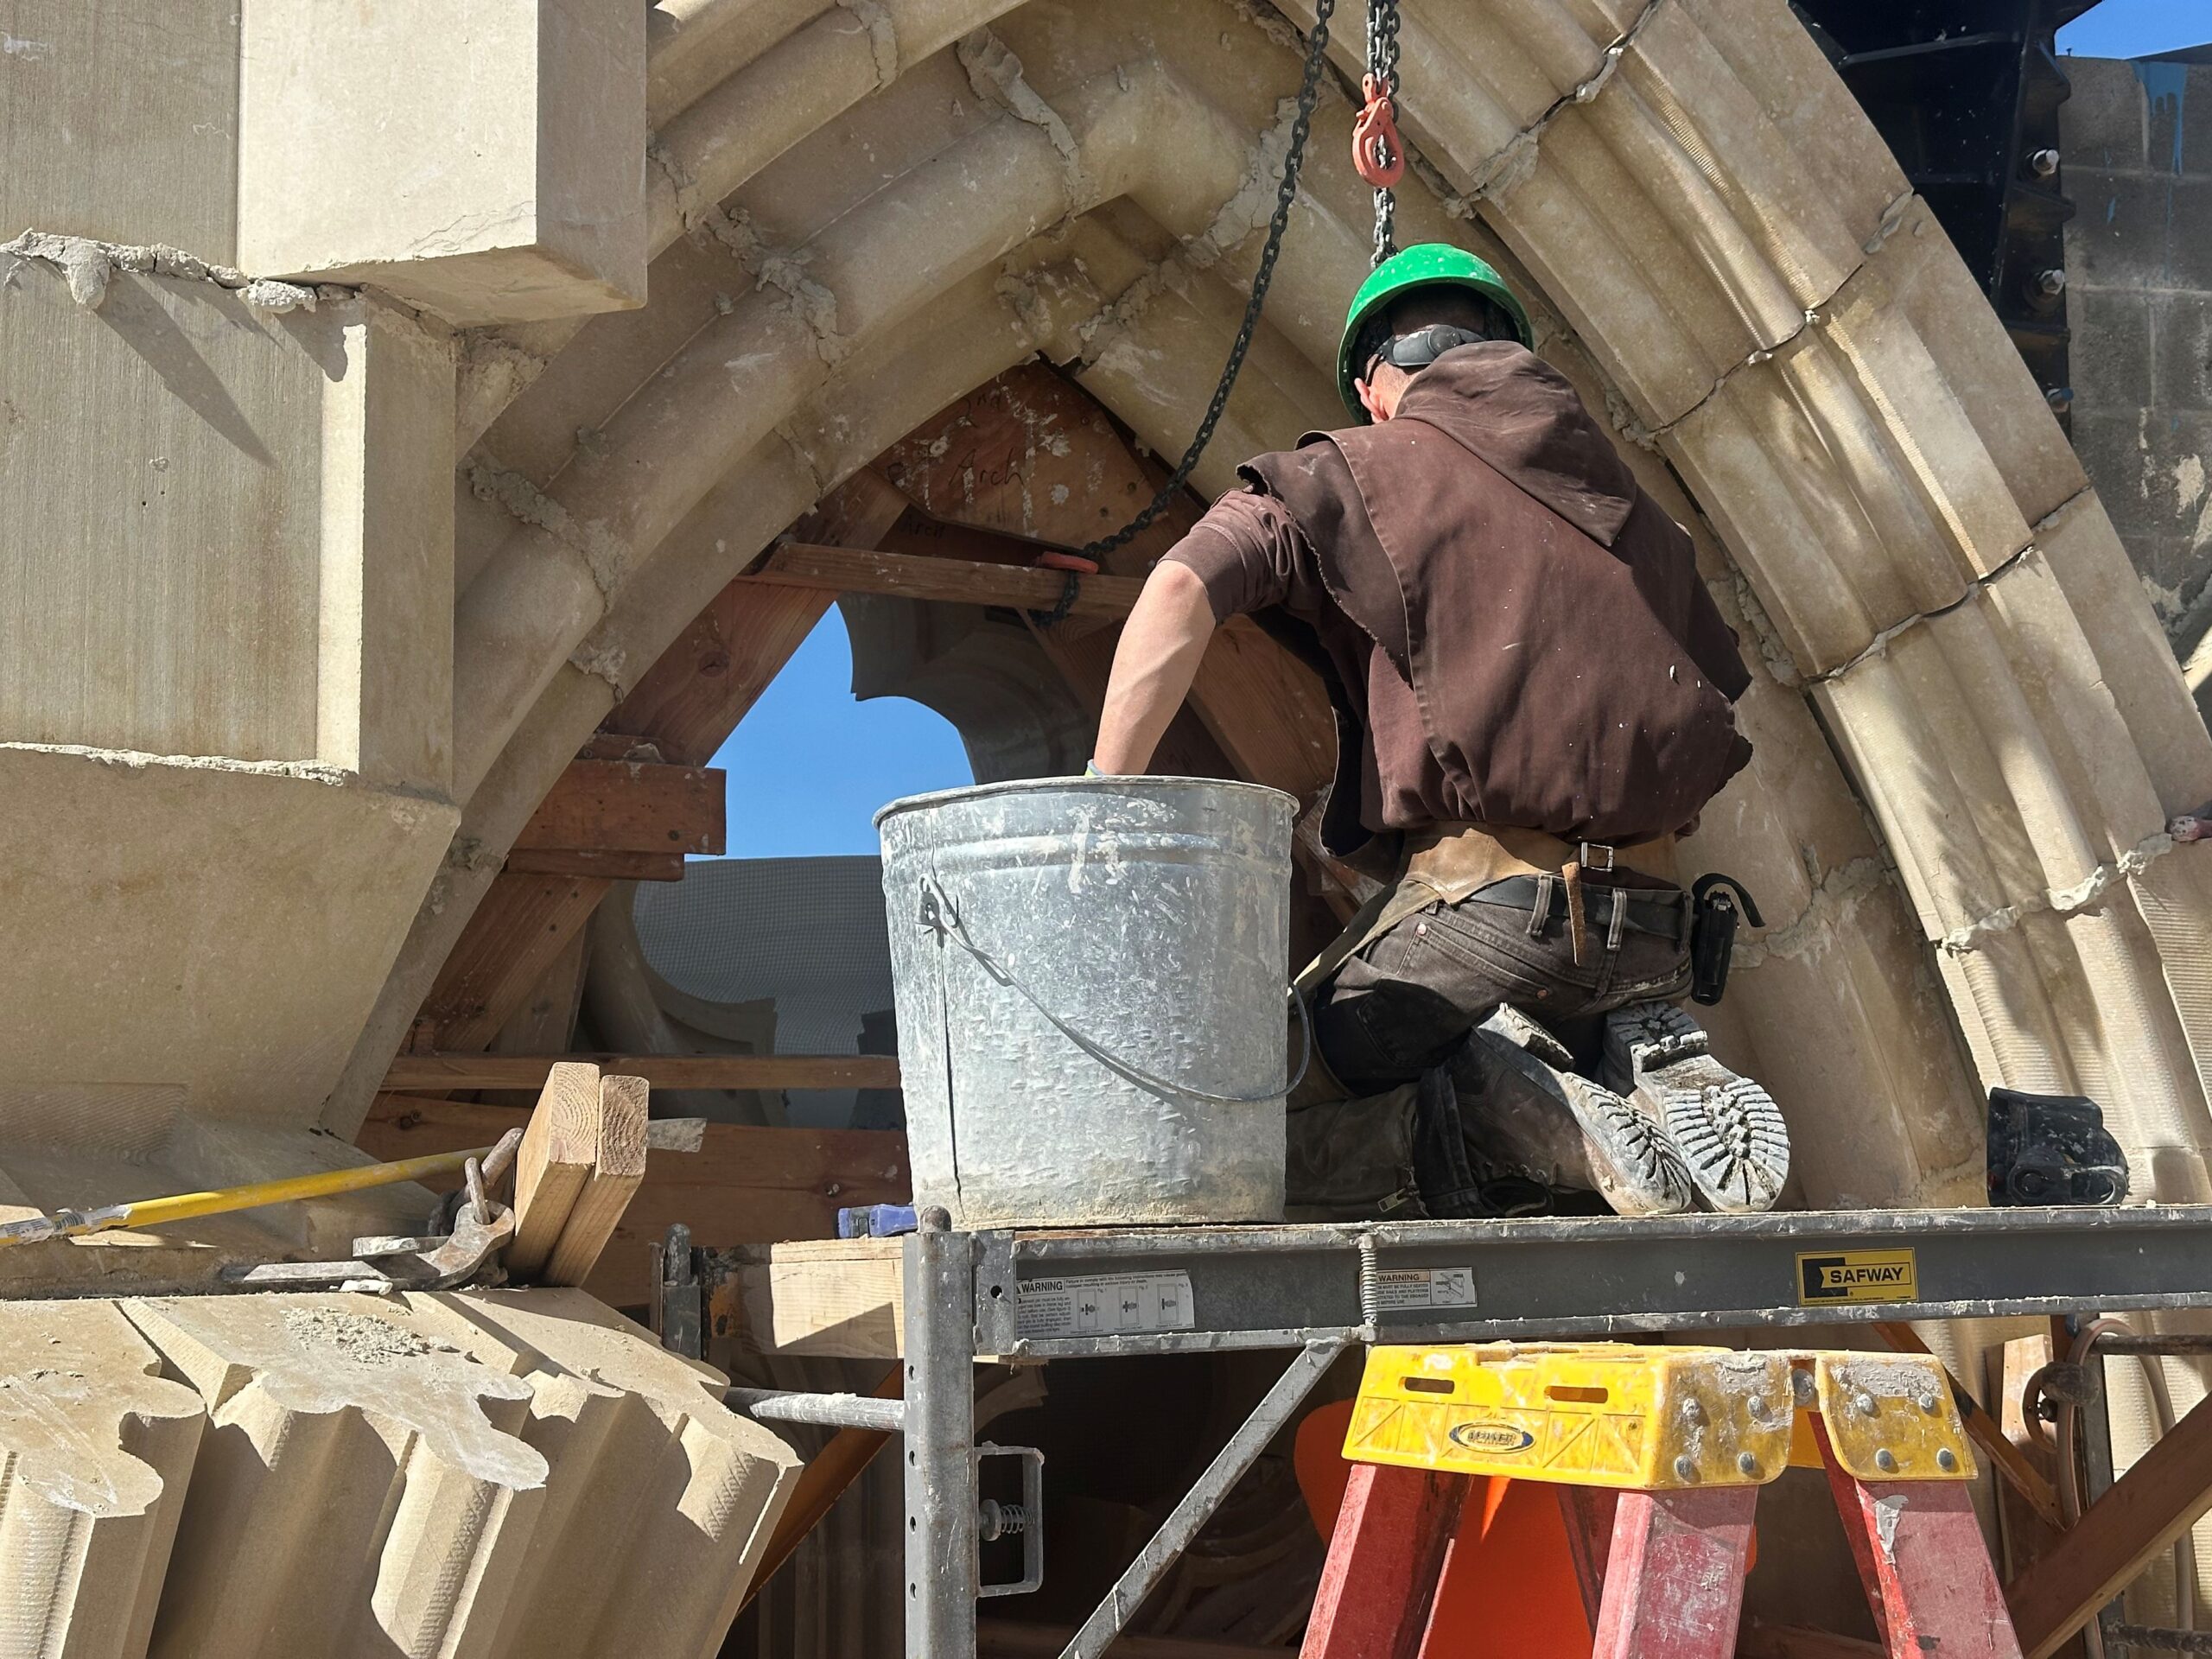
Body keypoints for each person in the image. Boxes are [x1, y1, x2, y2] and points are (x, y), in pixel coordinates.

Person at [1090, 245, 1788, 1218]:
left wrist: (1101, 802)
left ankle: (1496, 1122)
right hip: (1657, 929)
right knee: (1527, 1064)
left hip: (1491, 925)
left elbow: (1179, 589)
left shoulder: (1348, 473)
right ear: (1509, 352)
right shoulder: (1645, 521)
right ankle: (1619, 1066)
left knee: (1240, 1124)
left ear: (1375, 383)